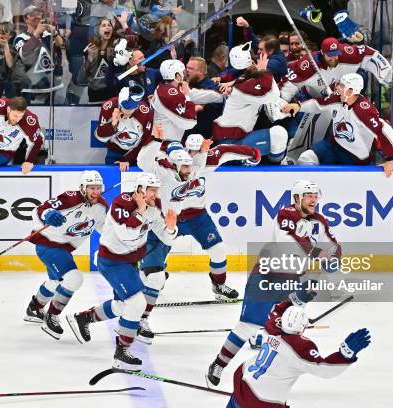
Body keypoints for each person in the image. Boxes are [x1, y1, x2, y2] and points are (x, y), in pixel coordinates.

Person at [206, 180, 341, 387]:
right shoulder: (286, 214)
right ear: (297, 198)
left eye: (315, 195)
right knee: (247, 325)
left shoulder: (319, 221)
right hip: (267, 276)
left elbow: (332, 244)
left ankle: (268, 373)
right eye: (309, 195)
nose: (314, 199)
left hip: (293, 280)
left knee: (286, 328)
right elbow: (286, 241)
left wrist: (334, 258)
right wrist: (317, 254)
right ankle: (219, 364)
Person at [133, 129, 259, 343]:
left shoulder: (200, 163)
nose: (190, 163)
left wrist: (253, 153)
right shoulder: (166, 167)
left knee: (218, 250)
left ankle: (218, 285)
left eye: (195, 153)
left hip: (197, 217)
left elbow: (226, 150)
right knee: (154, 276)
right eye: (187, 154)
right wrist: (155, 140)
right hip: (166, 219)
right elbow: (146, 160)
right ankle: (141, 313)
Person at [65, 173, 178, 371]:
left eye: (156, 190)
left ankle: (84, 318)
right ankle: (122, 353)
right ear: (140, 190)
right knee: (136, 303)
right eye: (151, 190)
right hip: (113, 261)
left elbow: (165, 237)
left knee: (122, 306)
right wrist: (141, 213)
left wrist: (170, 229)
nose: (155, 194)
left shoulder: (155, 204)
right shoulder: (121, 204)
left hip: (130, 261)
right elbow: (126, 235)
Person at [226, 304, 371, 408]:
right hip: (261, 401)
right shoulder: (300, 348)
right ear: (302, 326)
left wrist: (295, 300)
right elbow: (323, 369)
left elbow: (277, 310)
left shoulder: (272, 327)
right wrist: (345, 354)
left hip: (242, 380)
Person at [24, 171, 108, 340]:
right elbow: (39, 209)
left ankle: (35, 307)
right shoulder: (70, 198)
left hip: (63, 250)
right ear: (83, 188)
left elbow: (106, 231)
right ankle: (51, 316)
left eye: (98, 188)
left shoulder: (101, 207)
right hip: (48, 244)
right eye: (92, 188)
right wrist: (48, 214)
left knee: (56, 281)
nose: (95, 192)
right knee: (74, 279)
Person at [291, 73, 393, 177]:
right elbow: (318, 104)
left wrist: (389, 159)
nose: (337, 87)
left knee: (339, 180)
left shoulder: (364, 111)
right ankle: (314, 190)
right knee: (306, 158)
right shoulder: (337, 98)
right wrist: (299, 106)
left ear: (350, 91)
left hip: (355, 158)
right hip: (333, 146)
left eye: (341, 85)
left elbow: (380, 131)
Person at [212, 42, 291, 163]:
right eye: (253, 62)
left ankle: (252, 161)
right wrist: (265, 71)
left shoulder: (243, 81)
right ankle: (277, 167)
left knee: (278, 133)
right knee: (279, 135)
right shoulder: (242, 87)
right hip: (230, 144)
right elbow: (271, 95)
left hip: (236, 139)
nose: (256, 64)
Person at [279, 37, 392, 100]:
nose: (333, 58)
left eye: (336, 54)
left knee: (361, 76)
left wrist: (389, 80)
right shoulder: (308, 65)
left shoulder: (348, 53)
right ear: (322, 52)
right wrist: (281, 103)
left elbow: (370, 54)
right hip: (314, 100)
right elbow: (289, 79)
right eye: (329, 55)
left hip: (344, 100)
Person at [12, 5, 64, 103]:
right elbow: (24, 53)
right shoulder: (20, 38)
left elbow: (62, 46)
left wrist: (55, 33)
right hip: (32, 90)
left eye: (39, 14)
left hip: (53, 86)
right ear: (25, 19)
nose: (37, 16)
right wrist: (37, 33)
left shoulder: (49, 35)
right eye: (32, 14)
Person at [95, 84, 154, 169]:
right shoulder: (108, 107)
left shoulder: (146, 113)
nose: (129, 112)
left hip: (137, 154)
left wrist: (127, 160)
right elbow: (100, 137)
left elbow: (145, 142)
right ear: (119, 103)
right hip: (114, 152)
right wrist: (113, 124)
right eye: (126, 108)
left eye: (133, 108)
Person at [151, 59, 198, 142]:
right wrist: (187, 96)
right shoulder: (170, 93)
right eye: (183, 72)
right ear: (177, 75)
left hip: (163, 142)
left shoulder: (164, 87)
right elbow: (189, 122)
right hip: (164, 145)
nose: (185, 75)